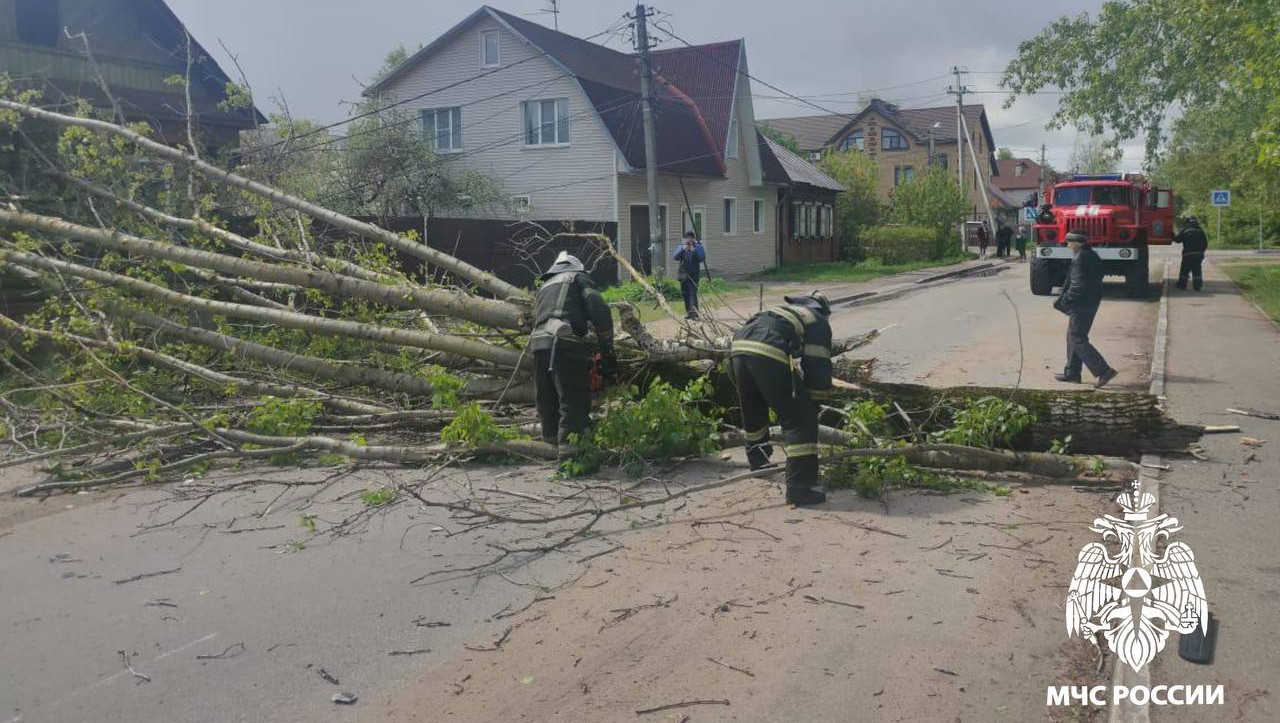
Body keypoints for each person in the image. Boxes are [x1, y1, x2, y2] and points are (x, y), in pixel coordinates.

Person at [730, 290, 834, 506]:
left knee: (753, 408)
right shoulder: (818, 320)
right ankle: (799, 488)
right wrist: (814, 401)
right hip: (767, 349)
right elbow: (817, 366)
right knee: (800, 419)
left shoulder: (780, 312)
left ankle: (758, 463)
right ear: (822, 309)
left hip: (737, 348)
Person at [530, 252, 617, 456]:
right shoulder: (578, 277)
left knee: (547, 402)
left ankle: (550, 449)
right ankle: (572, 460)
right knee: (573, 401)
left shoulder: (545, 285)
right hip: (564, 342)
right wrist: (607, 350)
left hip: (537, 345)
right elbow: (600, 310)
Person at [1053, 231, 1117, 389]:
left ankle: (1104, 370)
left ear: (1078, 243)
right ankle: (1072, 373)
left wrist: (1067, 299)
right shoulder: (1092, 255)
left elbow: (1078, 285)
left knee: (1077, 337)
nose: (1067, 244)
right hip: (1091, 301)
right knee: (1073, 335)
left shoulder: (1080, 258)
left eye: (1069, 242)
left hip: (1081, 303)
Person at [672, 231, 706, 319]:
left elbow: (702, 258)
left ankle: (694, 313)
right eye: (687, 238)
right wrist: (683, 249)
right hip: (683, 275)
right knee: (685, 294)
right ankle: (689, 312)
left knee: (692, 294)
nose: (689, 240)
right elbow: (675, 257)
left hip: (693, 274)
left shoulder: (698, 247)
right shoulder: (681, 247)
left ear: (694, 239)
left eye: (691, 238)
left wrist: (694, 250)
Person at [1173, 215, 1208, 291]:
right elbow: (1205, 244)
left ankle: (1182, 285)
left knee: (1184, 270)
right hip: (1198, 255)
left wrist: (1171, 235)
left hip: (1187, 255)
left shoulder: (1185, 230)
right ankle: (1197, 286)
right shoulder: (1201, 231)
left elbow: (1177, 240)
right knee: (1197, 270)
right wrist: (1201, 252)